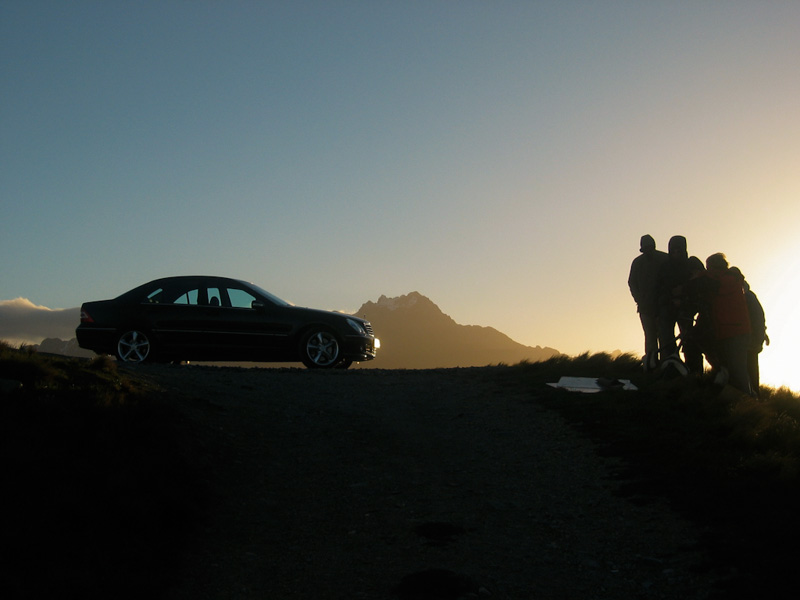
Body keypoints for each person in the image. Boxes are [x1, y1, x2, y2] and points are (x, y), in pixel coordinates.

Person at [701, 254, 752, 395]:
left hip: (736, 332)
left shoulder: (729, 280)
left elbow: (716, 285)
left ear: (716, 267)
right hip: (728, 331)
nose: (707, 270)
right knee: (732, 368)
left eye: (709, 267)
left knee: (738, 369)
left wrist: (700, 276)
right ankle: (740, 398)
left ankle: (746, 398)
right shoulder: (725, 279)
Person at [656, 235, 705, 373]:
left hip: (688, 308)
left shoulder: (693, 264)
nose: (676, 253)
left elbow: (701, 284)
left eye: (679, 250)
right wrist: (671, 299)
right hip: (668, 307)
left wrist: (684, 293)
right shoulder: (665, 267)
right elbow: (660, 287)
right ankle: (670, 369)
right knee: (667, 339)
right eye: (673, 250)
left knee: (689, 340)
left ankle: (694, 371)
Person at [628, 235, 668, 370]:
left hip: (663, 306)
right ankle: (652, 366)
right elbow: (632, 282)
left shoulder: (664, 259)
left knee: (664, 337)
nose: (648, 250)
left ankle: (665, 366)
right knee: (651, 338)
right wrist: (639, 299)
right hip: (645, 307)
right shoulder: (637, 262)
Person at [730, 267, 769, 396]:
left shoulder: (745, 296)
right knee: (751, 370)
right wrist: (762, 334)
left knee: (748, 370)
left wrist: (759, 335)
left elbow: (755, 318)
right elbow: (759, 317)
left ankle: (751, 397)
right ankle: (753, 396)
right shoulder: (749, 295)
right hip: (752, 339)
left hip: (747, 340)